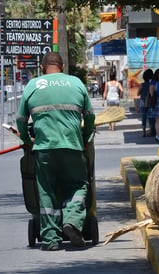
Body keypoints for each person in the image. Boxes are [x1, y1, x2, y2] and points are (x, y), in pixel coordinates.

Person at [16, 52, 95, 251]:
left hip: (44, 149)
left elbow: (20, 120)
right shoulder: (76, 83)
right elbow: (90, 117)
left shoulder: (33, 86)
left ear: (42, 68)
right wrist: (85, 138)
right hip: (72, 146)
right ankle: (72, 222)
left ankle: (51, 239)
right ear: (63, 65)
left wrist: (26, 140)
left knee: (47, 192)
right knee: (78, 184)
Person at [137, 69, 154, 137]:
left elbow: (138, 94)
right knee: (151, 117)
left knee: (143, 117)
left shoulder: (142, 85)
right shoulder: (152, 84)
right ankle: (151, 131)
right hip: (150, 102)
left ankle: (144, 132)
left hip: (142, 102)